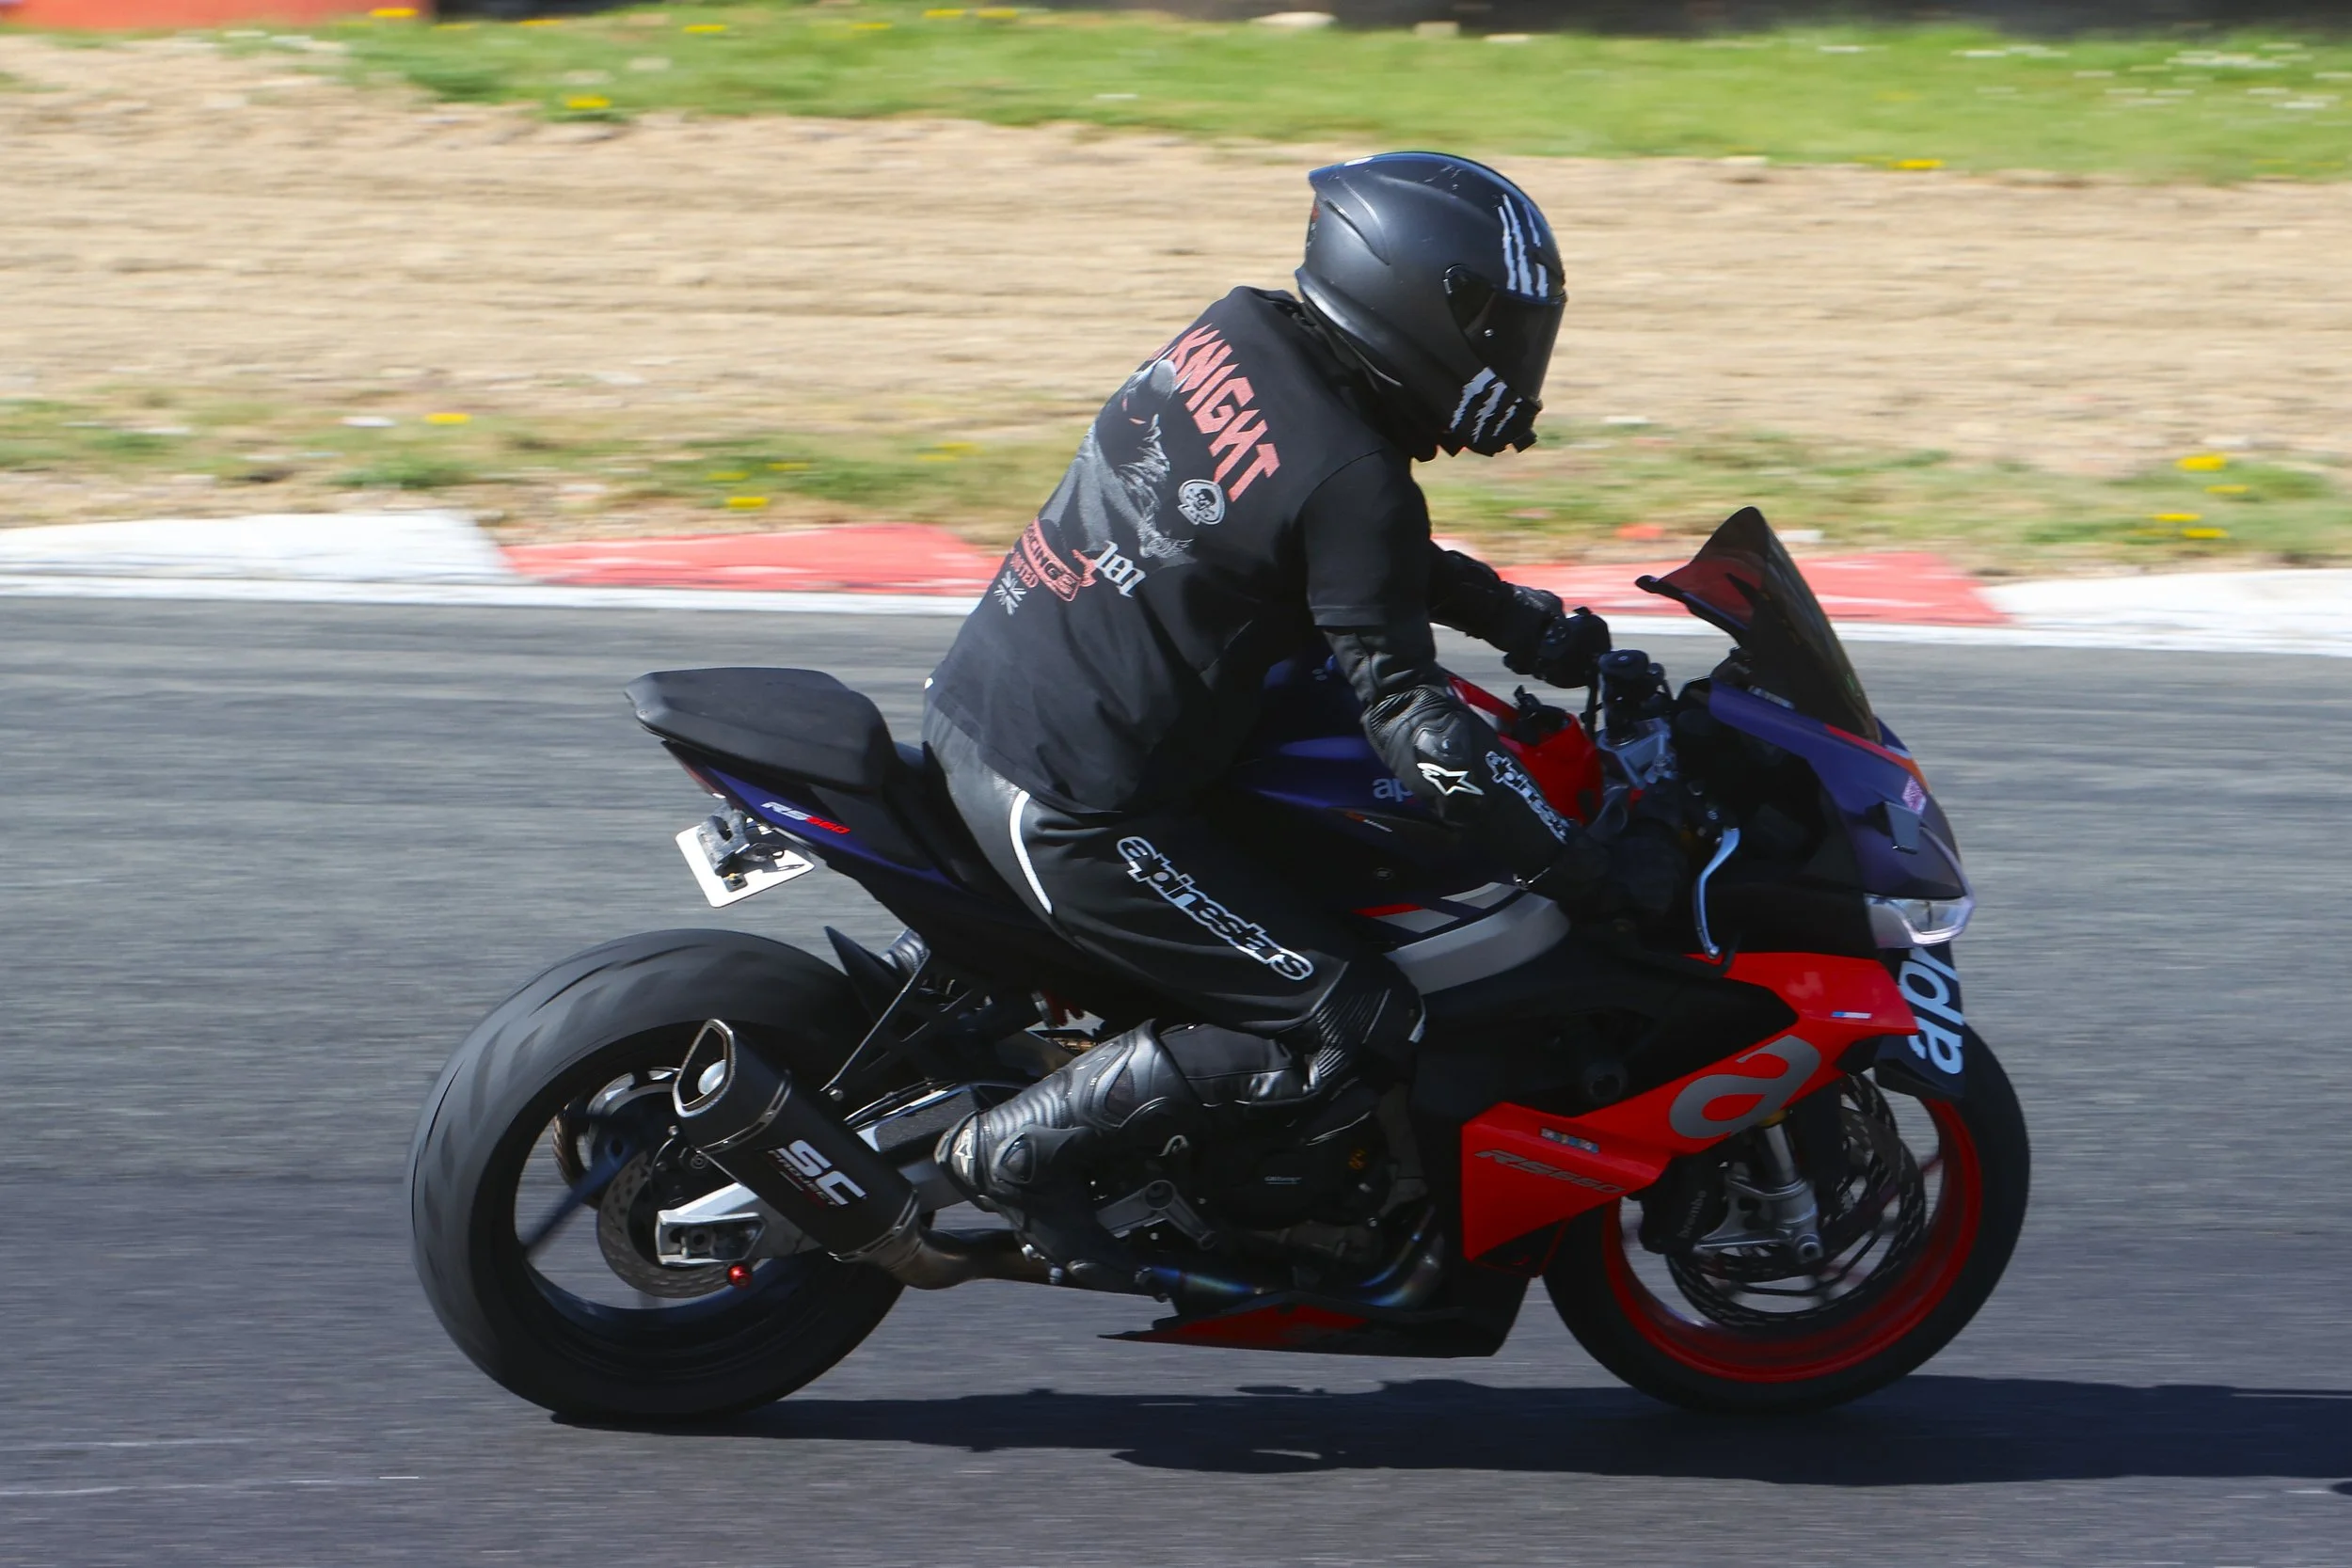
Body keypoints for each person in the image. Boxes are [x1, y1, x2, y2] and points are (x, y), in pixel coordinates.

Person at [924, 151, 1668, 1289]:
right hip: (1070, 799)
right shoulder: (1356, 474)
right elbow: (1416, 722)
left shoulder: (1241, 336)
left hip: (991, 703)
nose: (1515, 362)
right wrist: (1572, 865)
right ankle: (1010, 1155)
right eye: (1501, 331)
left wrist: (1517, 621)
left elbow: (1327, 544)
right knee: (1357, 1014)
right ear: (1424, 303)